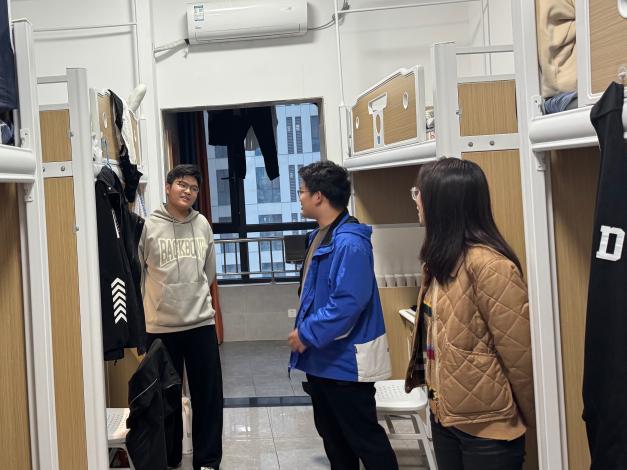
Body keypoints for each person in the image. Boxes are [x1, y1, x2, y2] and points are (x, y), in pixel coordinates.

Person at [405, 158, 535, 470]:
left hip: (488, 429)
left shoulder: (491, 267)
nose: (416, 200)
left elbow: (520, 356)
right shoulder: (441, 262)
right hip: (446, 418)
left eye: (419, 193)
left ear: (443, 203)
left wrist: (534, 419)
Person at [288, 161, 398, 470]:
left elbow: (348, 302)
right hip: (322, 359)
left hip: (347, 364)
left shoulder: (349, 242)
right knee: (334, 441)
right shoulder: (319, 236)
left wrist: (306, 333)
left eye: (302, 191)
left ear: (319, 196)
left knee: (365, 440)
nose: (300, 197)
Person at [139, 164, 222, 470]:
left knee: (208, 398)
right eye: (182, 185)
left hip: (200, 324)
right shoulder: (148, 226)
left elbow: (209, 272)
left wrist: (192, 295)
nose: (188, 191)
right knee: (165, 398)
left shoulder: (202, 224)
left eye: (194, 188)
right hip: (160, 327)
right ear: (167, 187)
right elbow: (138, 273)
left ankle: (208, 461)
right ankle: (169, 457)